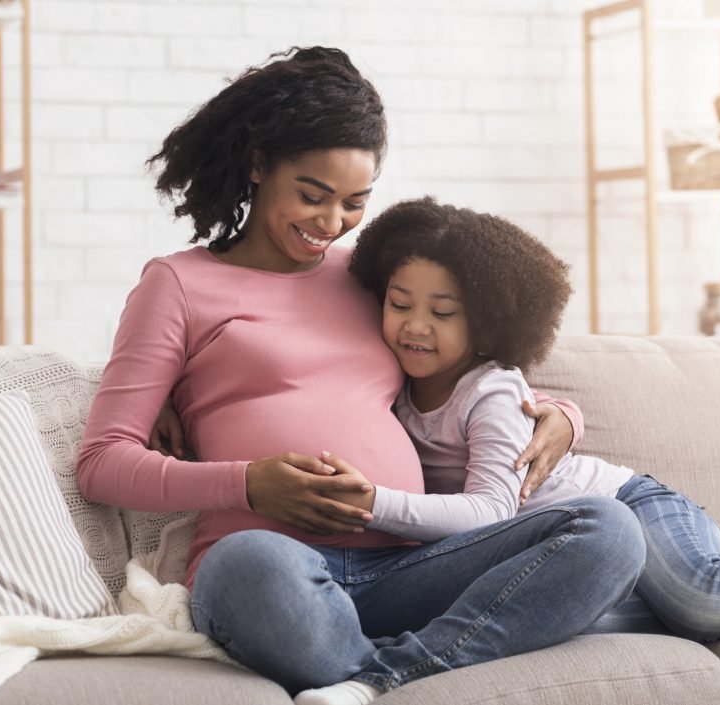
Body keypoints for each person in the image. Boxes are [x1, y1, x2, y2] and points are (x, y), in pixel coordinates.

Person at [78, 46, 646, 705]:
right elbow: (102, 462)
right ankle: (448, 650)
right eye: (312, 196)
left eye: (354, 202)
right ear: (259, 164)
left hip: (409, 563)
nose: (330, 223)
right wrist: (247, 484)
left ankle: (377, 677)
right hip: (276, 565)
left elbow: (444, 363)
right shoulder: (177, 284)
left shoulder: (364, 275)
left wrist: (556, 411)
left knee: (606, 530)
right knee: (245, 563)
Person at [326, 195, 720, 654]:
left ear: (487, 319)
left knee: (707, 597)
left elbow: (489, 511)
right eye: (400, 305)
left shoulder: (489, 391)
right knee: (558, 619)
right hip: (572, 555)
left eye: (442, 313)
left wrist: (374, 501)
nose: (415, 327)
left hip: (632, 508)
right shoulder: (388, 385)